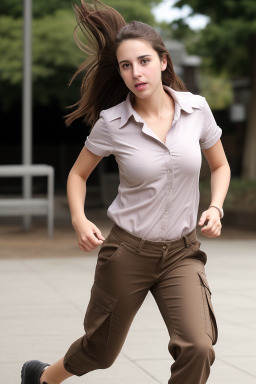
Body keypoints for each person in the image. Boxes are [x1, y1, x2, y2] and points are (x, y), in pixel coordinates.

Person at [21, 1, 231, 383]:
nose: (137, 72)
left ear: (163, 62)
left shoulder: (196, 110)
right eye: (126, 65)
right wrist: (79, 218)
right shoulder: (113, 123)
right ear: (119, 71)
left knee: (198, 346)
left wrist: (215, 207)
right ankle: (43, 379)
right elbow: (77, 176)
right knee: (100, 351)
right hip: (128, 253)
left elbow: (220, 165)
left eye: (145, 61)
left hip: (181, 253)